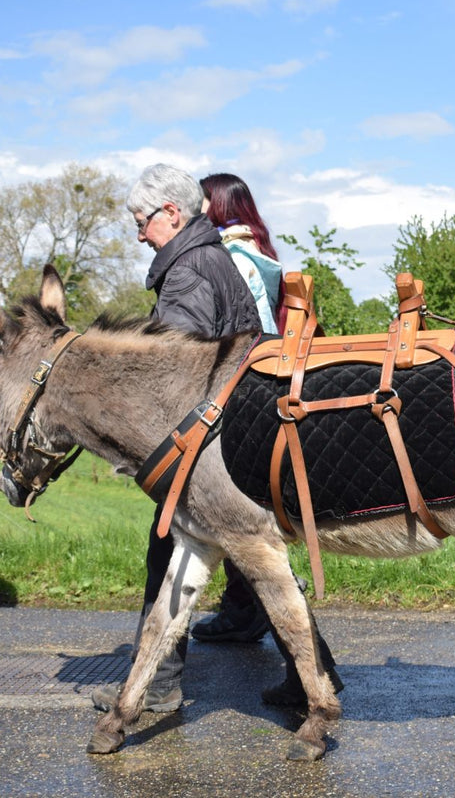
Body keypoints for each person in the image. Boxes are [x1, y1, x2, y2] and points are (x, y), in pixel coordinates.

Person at [91, 163, 262, 713]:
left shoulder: (188, 271)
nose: (139, 234)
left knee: (168, 555)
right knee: (258, 559)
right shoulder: (207, 258)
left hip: (205, 448)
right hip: (231, 437)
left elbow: (170, 378)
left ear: (171, 213)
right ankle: (314, 672)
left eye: (142, 221)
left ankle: (159, 682)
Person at [195, 172, 343, 706]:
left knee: (249, 535)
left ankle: (313, 670)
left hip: (250, 396)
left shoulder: (233, 254)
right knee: (244, 529)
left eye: (200, 200)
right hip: (273, 390)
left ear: (215, 205)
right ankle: (241, 616)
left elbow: (248, 333)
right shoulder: (259, 248)